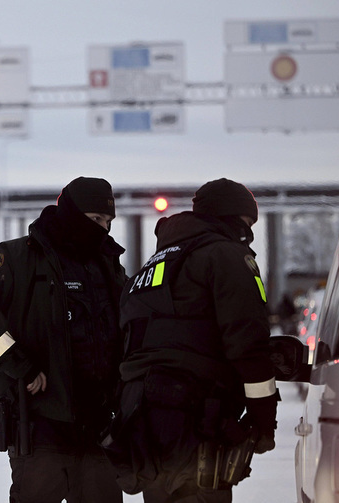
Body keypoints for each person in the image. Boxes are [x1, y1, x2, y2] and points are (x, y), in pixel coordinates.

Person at [0, 176, 127, 503]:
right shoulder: (15, 259)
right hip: (41, 426)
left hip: (100, 428)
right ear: (71, 214)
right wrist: (20, 364)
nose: (103, 229)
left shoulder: (108, 266)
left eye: (108, 221)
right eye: (95, 220)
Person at [106, 178, 278, 502]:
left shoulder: (147, 270)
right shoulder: (227, 255)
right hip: (196, 416)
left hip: (141, 418)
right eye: (246, 223)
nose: (249, 233)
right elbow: (247, 341)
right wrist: (262, 419)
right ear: (229, 218)